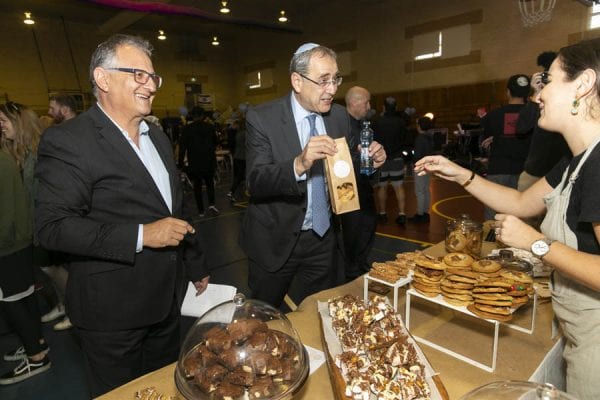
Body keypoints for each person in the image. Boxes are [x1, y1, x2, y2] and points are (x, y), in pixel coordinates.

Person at [414, 38, 600, 400]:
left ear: (583, 84)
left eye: (548, 81)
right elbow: (520, 202)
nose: (538, 95)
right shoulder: (575, 160)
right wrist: (460, 174)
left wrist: (536, 243)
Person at [35, 34, 209, 397]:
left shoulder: (157, 137)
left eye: (153, 77)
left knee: (164, 387)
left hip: (167, 300)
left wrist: (195, 263)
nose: (152, 86)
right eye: (139, 75)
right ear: (103, 78)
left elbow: (174, 208)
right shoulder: (69, 141)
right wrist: (143, 235)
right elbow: (53, 228)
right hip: (112, 313)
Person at [239, 43, 386, 309]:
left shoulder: (339, 117)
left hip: (323, 239)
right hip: (275, 240)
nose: (332, 89)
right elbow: (255, 181)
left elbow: (348, 166)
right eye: (323, 80)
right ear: (297, 81)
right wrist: (299, 163)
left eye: (335, 79)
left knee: (325, 312)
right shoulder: (262, 118)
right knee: (262, 315)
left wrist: (371, 162)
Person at [0, 105, 50, 385]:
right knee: (25, 295)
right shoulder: (11, 156)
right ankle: (35, 342)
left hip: (14, 240)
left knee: (14, 300)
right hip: (21, 237)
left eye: (3, 120)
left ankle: (36, 354)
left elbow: (13, 208)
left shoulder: (25, 156)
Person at [44, 93, 79, 332]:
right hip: (65, 210)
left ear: (64, 109)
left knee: (74, 269)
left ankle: (76, 310)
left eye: (52, 107)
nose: (48, 112)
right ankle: (68, 306)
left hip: (76, 212)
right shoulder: (59, 133)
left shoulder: (76, 134)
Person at [480, 74, 533, 220]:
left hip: (499, 169)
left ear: (508, 92)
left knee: (493, 218)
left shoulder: (494, 115)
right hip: (526, 172)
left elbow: (486, 141)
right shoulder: (535, 114)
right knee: (522, 217)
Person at [517, 51, 571, 192]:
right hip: (535, 172)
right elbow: (522, 128)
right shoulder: (539, 100)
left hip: (564, 173)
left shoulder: (572, 98)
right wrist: (536, 93)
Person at [341, 86, 378, 280]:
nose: (369, 106)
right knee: (352, 233)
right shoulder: (340, 126)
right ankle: (351, 271)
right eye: (366, 102)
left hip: (365, 186)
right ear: (354, 102)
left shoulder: (364, 126)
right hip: (347, 191)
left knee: (368, 227)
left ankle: (361, 264)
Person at [178, 106, 219, 217]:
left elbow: (182, 148)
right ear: (203, 115)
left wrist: (180, 164)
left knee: (197, 186)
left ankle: (201, 210)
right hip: (209, 161)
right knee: (210, 183)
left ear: (192, 115)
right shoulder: (210, 127)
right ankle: (212, 204)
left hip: (195, 162)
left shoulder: (187, 129)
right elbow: (216, 143)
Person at [373, 96, 407, 226]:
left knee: (382, 187)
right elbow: (405, 140)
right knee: (399, 187)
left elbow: (374, 140)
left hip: (381, 159)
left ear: (383, 107)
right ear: (396, 107)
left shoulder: (377, 122)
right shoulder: (401, 122)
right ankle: (402, 214)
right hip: (397, 158)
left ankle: (382, 214)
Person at [409, 116, 435, 223]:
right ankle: (426, 212)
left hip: (420, 166)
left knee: (419, 191)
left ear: (419, 126)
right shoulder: (430, 137)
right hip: (428, 166)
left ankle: (420, 214)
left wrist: (413, 163)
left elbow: (418, 155)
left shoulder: (420, 138)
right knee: (426, 189)